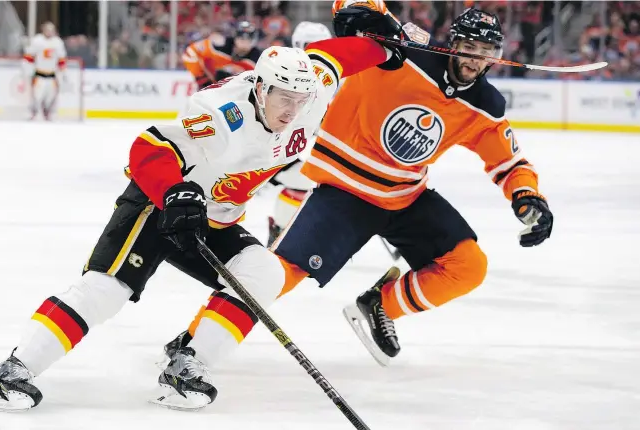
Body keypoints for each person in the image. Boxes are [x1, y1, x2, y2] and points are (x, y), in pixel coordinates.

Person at [0, 34, 397, 411]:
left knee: (263, 271)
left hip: (216, 217)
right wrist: (174, 193)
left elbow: (335, 58)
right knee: (107, 290)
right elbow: (147, 148)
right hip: (162, 202)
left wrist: (383, 46)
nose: (293, 109)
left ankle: (186, 366)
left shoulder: (312, 93)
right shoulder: (220, 114)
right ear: (261, 87)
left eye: (300, 100)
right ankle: (11, 371)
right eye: (283, 97)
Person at [162, 1, 554, 370]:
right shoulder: (401, 56)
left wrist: (527, 195)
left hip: (405, 196)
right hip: (344, 192)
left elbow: (509, 160)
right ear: (453, 44)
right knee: (276, 274)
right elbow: (347, 19)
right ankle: (196, 340)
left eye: (486, 51)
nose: (475, 58)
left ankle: (381, 306)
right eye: (469, 46)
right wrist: (373, 18)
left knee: (469, 266)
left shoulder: (485, 104)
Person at [267, 21, 334, 246]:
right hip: (264, 151)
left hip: (276, 153)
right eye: (313, 45)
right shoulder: (285, 74)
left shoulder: (321, 79)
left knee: (304, 180)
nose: (319, 51)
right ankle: (278, 233)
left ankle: (278, 233)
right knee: (305, 181)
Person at [182, 21, 262, 90]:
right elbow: (190, 53)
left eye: (248, 38)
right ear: (235, 37)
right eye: (241, 36)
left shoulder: (258, 60)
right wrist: (202, 79)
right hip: (213, 94)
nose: (244, 41)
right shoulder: (219, 46)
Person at [23, 22, 67, 120]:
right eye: (47, 29)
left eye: (51, 30)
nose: (49, 32)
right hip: (39, 74)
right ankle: (33, 112)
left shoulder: (58, 42)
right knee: (37, 96)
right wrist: (28, 70)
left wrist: (63, 71)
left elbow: (61, 59)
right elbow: (29, 56)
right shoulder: (37, 41)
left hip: (52, 75)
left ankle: (48, 112)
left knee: (50, 97)